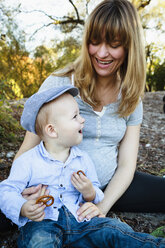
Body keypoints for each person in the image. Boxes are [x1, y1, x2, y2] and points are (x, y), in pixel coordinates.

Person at [1, 0, 165, 233]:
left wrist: (102, 205)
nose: (101, 53)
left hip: (109, 188)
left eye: (114, 44)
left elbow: (127, 165)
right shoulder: (58, 84)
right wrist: (20, 190)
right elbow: (28, 149)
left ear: (130, 46)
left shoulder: (131, 96)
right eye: (94, 42)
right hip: (55, 191)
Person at [0, 84, 165, 248]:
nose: (83, 119)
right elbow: (7, 190)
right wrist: (22, 207)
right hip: (43, 223)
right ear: (52, 130)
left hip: (80, 220)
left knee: (115, 229)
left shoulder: (82, 158)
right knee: (39, 242)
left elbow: (94, 188)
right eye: (75, 116)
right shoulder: (27, 161)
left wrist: (89, 192)